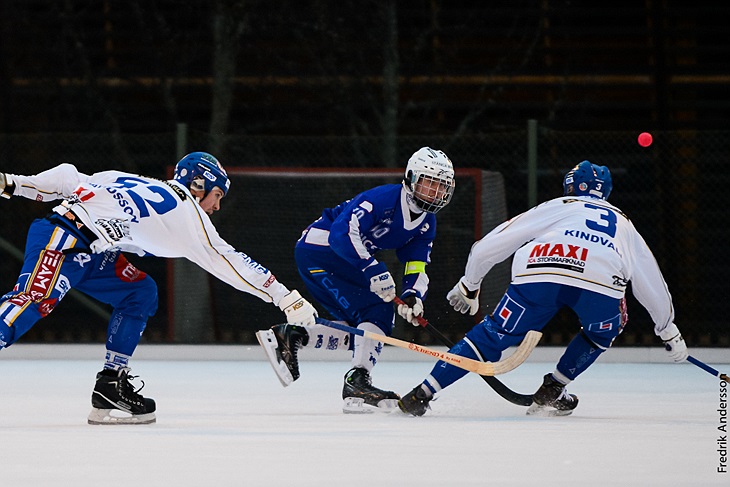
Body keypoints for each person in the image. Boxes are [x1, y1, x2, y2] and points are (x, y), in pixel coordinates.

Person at [0, 152, 317, 424]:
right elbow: (230, 261)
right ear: (199, 185)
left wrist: (13, 183)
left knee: (139, 292)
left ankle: (111, 384)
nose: (217, 206)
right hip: (65, 239)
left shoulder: (131, 179)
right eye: (218, 194)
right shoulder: (188, 214)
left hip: (93, 250)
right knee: (32, 300)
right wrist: (286, 298)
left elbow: (67, 178)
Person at [398, 160, 689, 417]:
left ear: (570, 186)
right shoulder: (624, 223)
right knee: (603, 330)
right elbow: (650, 279)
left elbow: (492, 244)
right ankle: (555, 387)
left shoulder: (559, 205)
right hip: (600, 278)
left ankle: (422, 393)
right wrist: (667, 329)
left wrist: (470, 284)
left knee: (491, 334)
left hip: (540, 268)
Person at [256, 147, 456, 413]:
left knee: (366, 331)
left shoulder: (427, 223)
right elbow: (341, 233)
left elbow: (416, 263)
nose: (435, 192)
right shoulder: (383, 199)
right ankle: (357, 384)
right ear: (410, 179)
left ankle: (292, 336)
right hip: (322, 251)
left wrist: (412, 295)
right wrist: (372, 268)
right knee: (378, 312)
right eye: (429, 183)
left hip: (335, 257)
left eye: (441, 187)